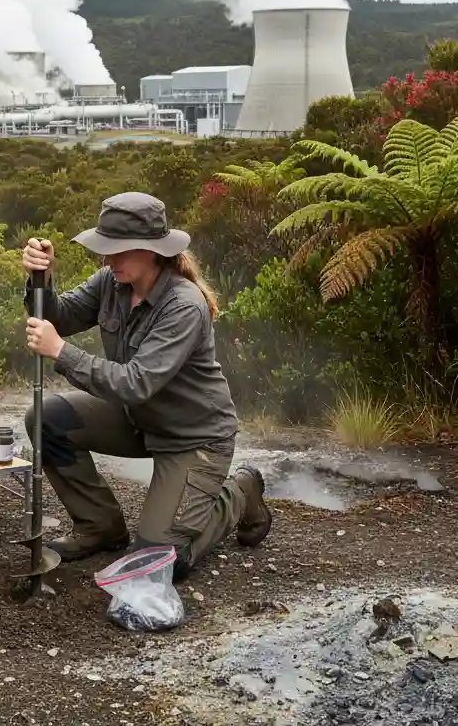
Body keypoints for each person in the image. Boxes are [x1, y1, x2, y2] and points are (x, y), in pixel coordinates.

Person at [22, 190, 272, 579]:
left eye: (120, 250)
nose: (109, 259)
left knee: (158, 564)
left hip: (193, 438)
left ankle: (240, 493)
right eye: (106, 248)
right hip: (139, 419)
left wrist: (60, 351)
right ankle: (99, 526)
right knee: (47, 417)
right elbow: (63, 316)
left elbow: (135, 382)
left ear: (153, 250)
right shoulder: (112, 281)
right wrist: (42, 278)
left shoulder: (183, 305)